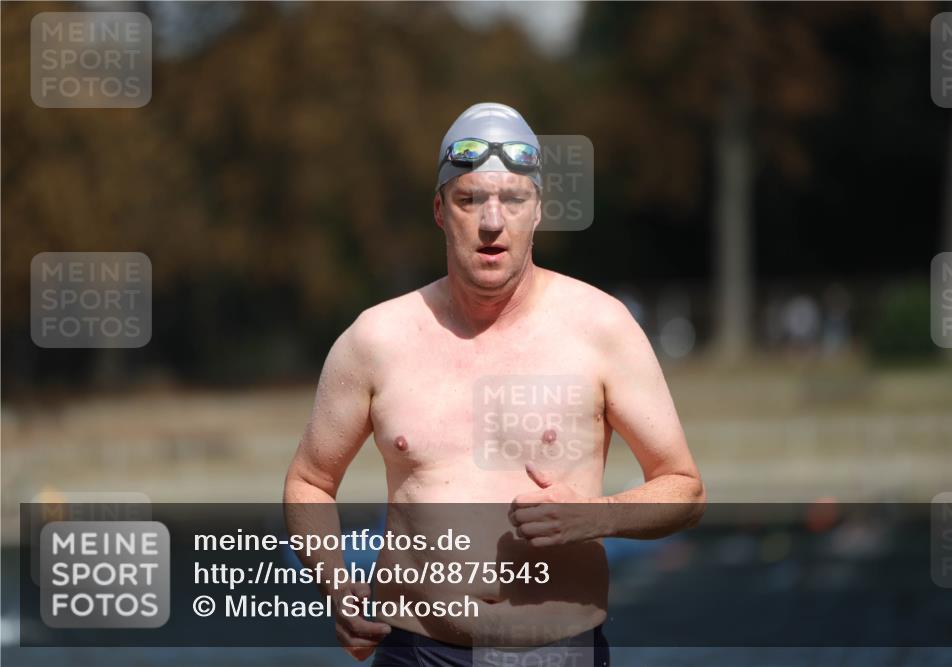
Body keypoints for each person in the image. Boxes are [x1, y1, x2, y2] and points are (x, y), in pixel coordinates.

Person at [284, 102, 706, 667]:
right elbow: (310, 481)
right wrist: (338, 586)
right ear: (440, 210)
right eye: (469, 199)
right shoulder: (377, 338)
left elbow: (684, 489)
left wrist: (596, 515)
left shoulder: (601, 328)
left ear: (539, 210)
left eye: (513, 199)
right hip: (416, 650)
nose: (491, 221)